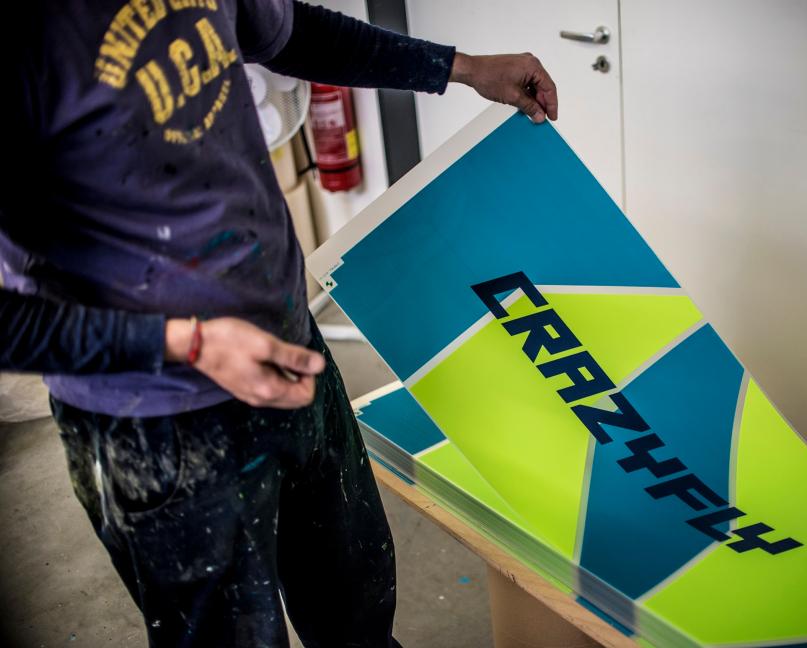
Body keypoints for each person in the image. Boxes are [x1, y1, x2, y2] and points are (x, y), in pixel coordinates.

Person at [0, 1, 558, 646]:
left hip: (293, 351)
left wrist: (463, 67)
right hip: (159, 424)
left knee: (359, 614)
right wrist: (188, 342)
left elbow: (290, 32)